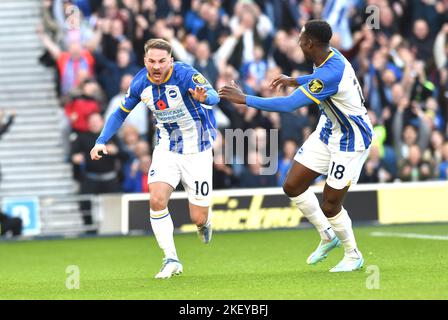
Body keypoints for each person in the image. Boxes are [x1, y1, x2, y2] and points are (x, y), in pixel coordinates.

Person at [219, 20, 373, 272]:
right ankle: (327, 235)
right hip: (328, 130)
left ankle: (353, 254)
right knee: (292, 185)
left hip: (350, 138)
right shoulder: (327, 56)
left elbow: (288, 105)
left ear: (309, 43)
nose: (298, 40)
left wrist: (244, 98)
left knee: (330, 203)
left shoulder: (328, 73)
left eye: (300, 37)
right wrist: (295, 79)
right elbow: (318, 80)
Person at [90, 39, 220, 279]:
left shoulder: (185, 74)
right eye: (152, 61)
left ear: (170, 60)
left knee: (198, 217)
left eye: (162, 61)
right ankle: (171, 259)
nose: (157, 66)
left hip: (198, 150)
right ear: (145, 61)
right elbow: (120, 113)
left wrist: (205, 98)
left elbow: (214, 95)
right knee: (157, 200)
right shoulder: (140, 82)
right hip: (167, 148)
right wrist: (101, 140)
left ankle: (204, 223)